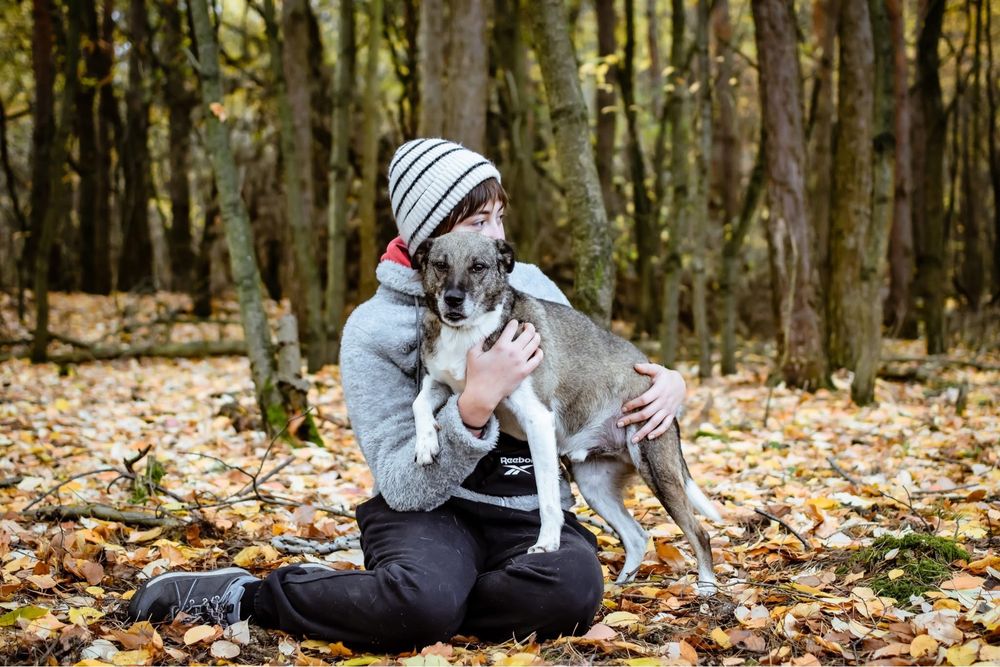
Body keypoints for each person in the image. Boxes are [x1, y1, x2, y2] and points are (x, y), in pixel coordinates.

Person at [127, 139, 687, 650]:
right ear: (432, 241)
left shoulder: (530, 285)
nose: (495, 236)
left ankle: (423, 602)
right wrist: (474, 405)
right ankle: (250, 597)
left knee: (571, 592)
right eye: (478, 221)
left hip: (522, 513)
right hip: (426, 517)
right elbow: (401, 483)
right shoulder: (372, 331)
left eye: (499, 218)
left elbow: (599, 365)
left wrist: (668, 383)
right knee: (421, 600)